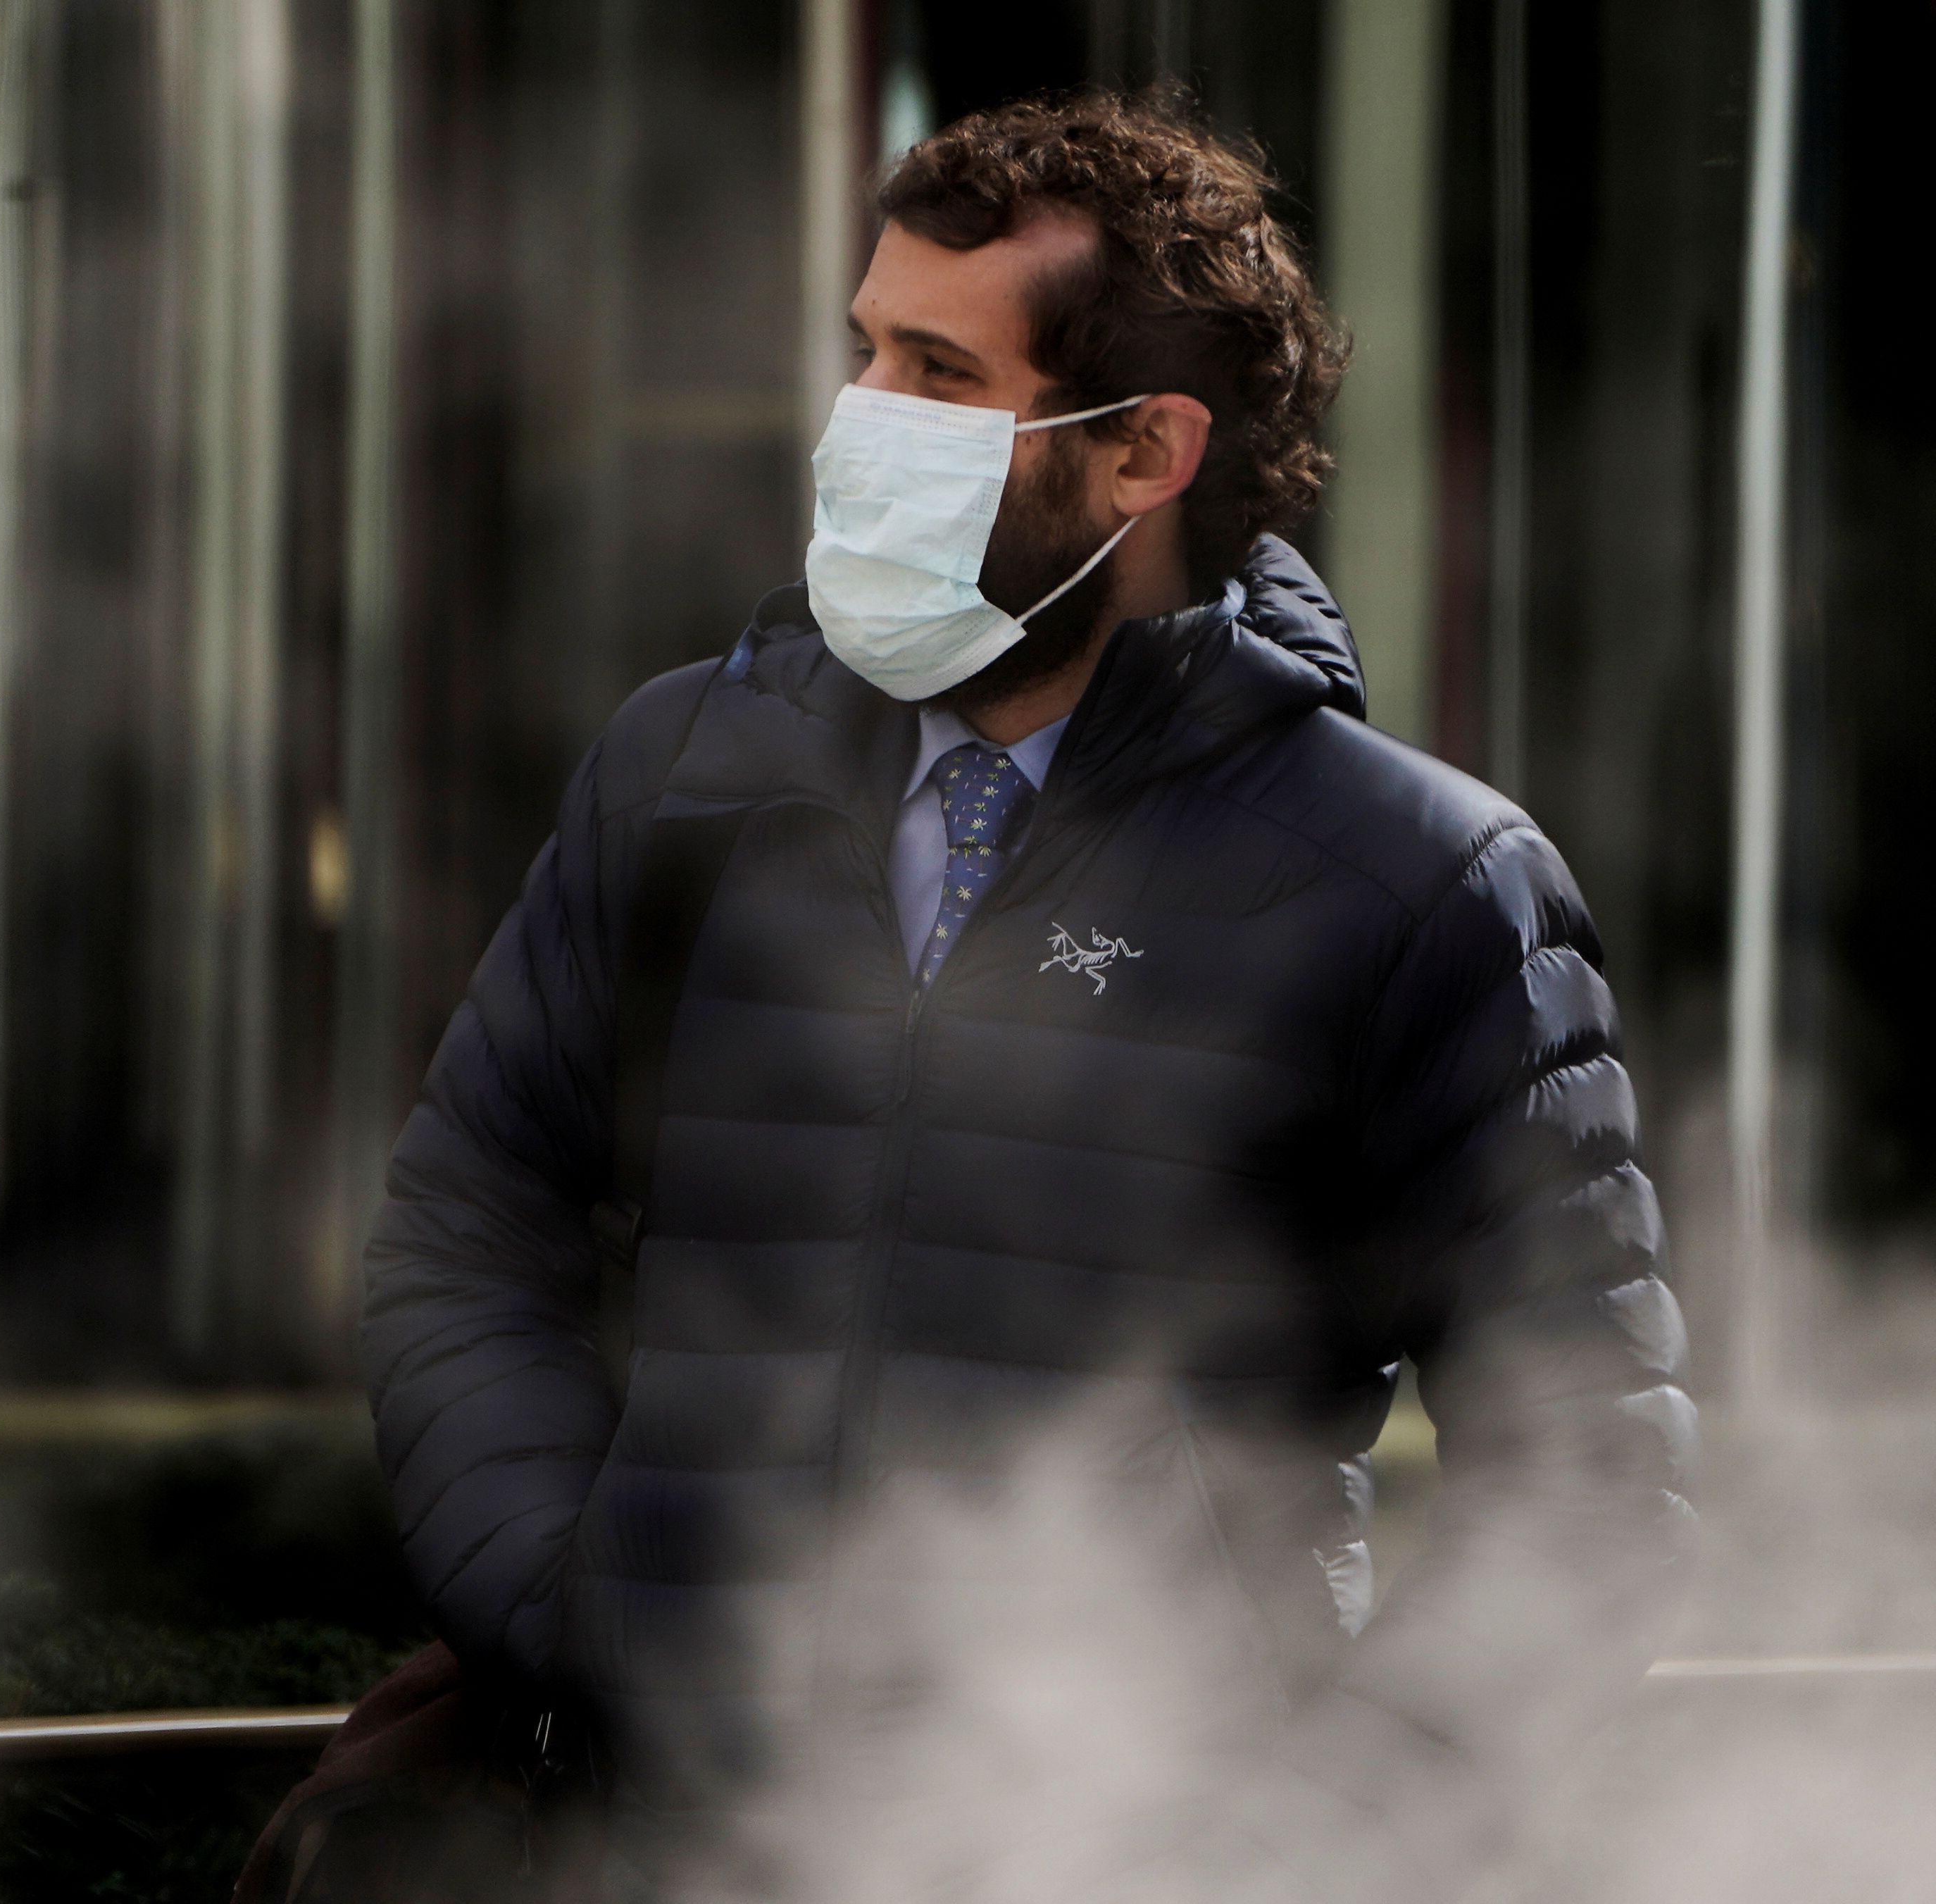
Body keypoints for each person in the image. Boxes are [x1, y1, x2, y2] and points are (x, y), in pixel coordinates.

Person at [362, 89, 1695, 1903]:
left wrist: (1321, 1839)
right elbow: (466, 1225)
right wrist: (574, 1606)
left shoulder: (1421, 884)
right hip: (669, 1841)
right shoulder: (684, 772)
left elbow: (1589, 1476)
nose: (862, 429)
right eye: (866, 353)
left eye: (938, 373)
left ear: (1145, 453)